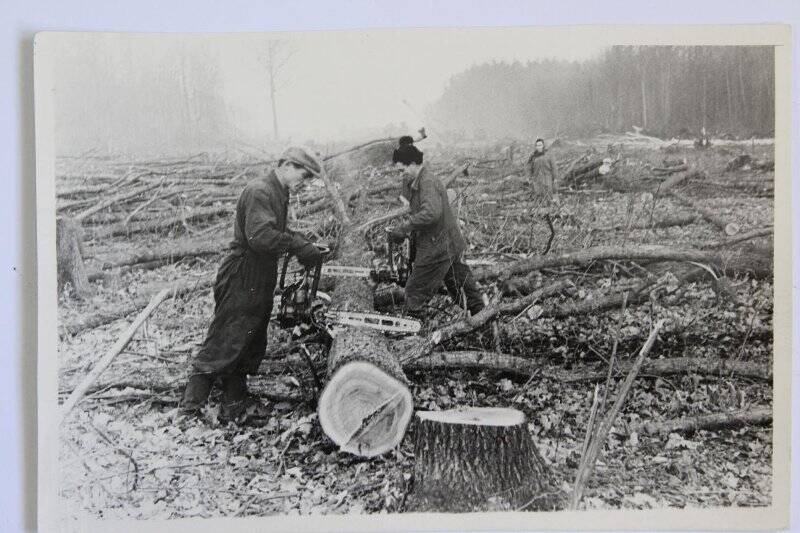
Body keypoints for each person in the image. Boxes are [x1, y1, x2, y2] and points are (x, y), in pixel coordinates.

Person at [178, 146, 323, 426]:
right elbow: (260, 236)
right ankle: (188, 411)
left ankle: (234, 406)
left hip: (258, 275)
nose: (302, 183)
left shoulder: (278, 192)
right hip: (242, 274)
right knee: (224, 341)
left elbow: (274, 233)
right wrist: (294, 244)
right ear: (288, 165)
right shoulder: (260, 191)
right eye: (302, 176)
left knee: (246, 341)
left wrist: (299, 240)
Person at [388, 138, 484, 319]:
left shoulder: (427, 182)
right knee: (461, 287)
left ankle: (413, 327)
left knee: (415, 289)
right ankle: (483, 319)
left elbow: (431, 213)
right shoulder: (420, 181)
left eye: (403, 170)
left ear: (414, 164)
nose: (402, 174)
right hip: (447, 243)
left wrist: (405, 227)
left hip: (438, 244)